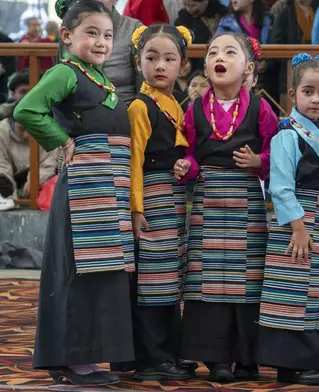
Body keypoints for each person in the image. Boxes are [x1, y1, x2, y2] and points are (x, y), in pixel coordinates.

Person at [13, 0, 135, 386]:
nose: (101, 42)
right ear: (67, 36)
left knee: (100, 272)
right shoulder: (66, 72)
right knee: (77, 274)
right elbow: (28, 110)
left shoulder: (99, 77)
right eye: (91, 33)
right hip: (84, 188)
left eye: (108, 35)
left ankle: (89, 353)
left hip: (106, 187)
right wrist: (62, 140)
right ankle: (72, 357)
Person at [175, 32, 278, 383]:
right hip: (207, 198)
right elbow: (188, 152)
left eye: (230, 52)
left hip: (247, 199)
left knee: (248, 281)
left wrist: (258, 160)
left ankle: (248, 358)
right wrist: (188, 167)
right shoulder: (193, 108)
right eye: (214, 52)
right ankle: (216, 359)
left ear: (248, 68)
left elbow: (276, 153)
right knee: (207, 281)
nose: (220, 57)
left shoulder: (261, 107)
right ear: (205, 66)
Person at [256, 53, 319, 386]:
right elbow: (280, 187)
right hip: (298, 227)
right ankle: (290, 364)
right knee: (292, 293)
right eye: (308, 92)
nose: (316, 100)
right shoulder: (288, 136)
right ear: (293, 96)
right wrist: (298, 227)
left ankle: (315, 359)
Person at [125, 24, 196, 381]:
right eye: (151, 58)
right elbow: (134, 160)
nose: (160, 66)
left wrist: (182, 165)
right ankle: (151, 359)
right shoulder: (141, 106)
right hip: (152, 199)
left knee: (170, 278)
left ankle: (169, 351)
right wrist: (135, 210)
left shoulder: (172, 104)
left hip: (172, 198)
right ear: (139, 63)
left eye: (170, 58)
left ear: (183, 65)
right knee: (153, 279)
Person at [0, 112, 58, 211]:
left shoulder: (47, 130)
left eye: (31, 128)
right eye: (22, 129)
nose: (27, 135)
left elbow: (49, 162)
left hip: (38, 183)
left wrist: (35, 180)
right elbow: (2, 166)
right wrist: (10, 197)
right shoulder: (2, 132)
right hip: (10, 180)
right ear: (12, 123)